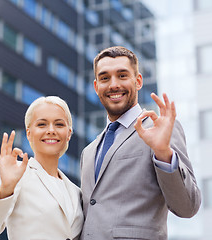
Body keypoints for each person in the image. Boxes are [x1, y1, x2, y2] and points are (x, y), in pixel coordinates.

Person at [80, 46, 201, 239]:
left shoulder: (159, 128)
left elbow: (188, 206)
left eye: (122, 75)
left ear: (138, 81)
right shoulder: (89, 151)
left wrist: (163, 152)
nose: (113, 85)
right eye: (105, 78)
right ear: (96, 87)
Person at [0, 96, 84, 240]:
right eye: (42, 124)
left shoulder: (76, 192)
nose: (51, 130)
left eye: (59, 124)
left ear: (68, 133)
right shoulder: (18, 174)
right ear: (29, 133)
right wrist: (6, 189)